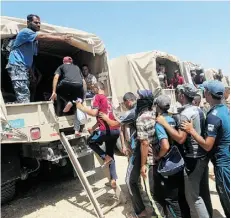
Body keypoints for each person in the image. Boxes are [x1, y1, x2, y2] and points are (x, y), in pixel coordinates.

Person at [156, 84, 210, 218]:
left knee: (194, 198)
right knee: (203, 192)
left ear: (181, 95)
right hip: (202, 154)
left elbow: (180, 139)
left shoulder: (185, 114)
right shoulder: (198, 110)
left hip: (193, 157)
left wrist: (164, 123)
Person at [181, 80, 230, 218]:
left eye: (204, 91)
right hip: (226, 157)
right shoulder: (224, 109)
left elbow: (208, 145)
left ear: (208, 93)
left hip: (222, 164)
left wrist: (191, 130)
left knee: (227, 199)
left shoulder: (213, 117)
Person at [6, 14, 71, 103]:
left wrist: (32, 73)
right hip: (17, 66)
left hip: (24, 67)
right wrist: (61, 38)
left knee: (25, 95)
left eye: (39, 23)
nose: (38, 25)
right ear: (28, 23)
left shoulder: (33, 42)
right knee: (23, 97)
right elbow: (42, 36)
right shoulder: (26, 31)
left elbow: (29, 58)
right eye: (36, 22)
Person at [76, 82, 120, 188]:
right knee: (111, 154)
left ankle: (105, 157)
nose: (92, 90)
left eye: (93, 88)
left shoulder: (97, 97)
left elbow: (94, 113)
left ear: (97, 88)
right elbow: (102, 117)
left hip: (104, 131)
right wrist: (93, 128)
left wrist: (80, 107)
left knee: (90, 141)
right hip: (114, 131)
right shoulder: (107, 99)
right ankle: (113, 180)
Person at [152, 95, 187, 218]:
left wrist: (157, 157)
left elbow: (165, 146)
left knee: (171, 199)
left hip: (168, 164)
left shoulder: (159, 122)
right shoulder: (174, 118)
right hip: (179, 161)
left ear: (157, 106)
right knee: (180, 195)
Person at [50, 56, 87, 136]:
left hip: (66, 83)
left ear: (64, 62)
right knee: (77, 106)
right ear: (71, 62)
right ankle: (76, 130)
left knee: (58, 92)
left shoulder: (61, 66)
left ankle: (66, 103)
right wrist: (83, 94)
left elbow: (56, 77)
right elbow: (83, 82)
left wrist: (54, 91)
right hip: (79, 86)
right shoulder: (77, 67)